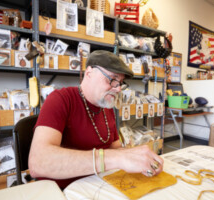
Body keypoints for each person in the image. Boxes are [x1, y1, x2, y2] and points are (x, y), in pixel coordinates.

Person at [29, 50, 164, 189]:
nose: (118, 89)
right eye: (112, 79)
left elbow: (115, 148)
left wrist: (135, 155)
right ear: (89, 73)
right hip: (62, 192)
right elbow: (38, 162)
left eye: (121, 83)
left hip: (97, 186)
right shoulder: (60, 99)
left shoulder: (107, 107)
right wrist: (117, 159)